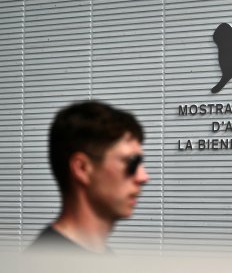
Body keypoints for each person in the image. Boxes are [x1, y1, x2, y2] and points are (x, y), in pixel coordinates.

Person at [26, 100, 149, 254]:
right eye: (130, 162)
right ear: (82, 168)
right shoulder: (44, 264)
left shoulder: (100, 260)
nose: (144, 177)